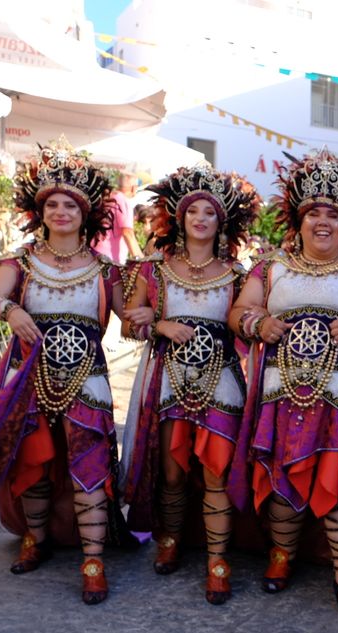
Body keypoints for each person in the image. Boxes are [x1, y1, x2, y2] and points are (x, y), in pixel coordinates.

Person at [0, 140, 122, 604]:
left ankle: (92, 560)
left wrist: (156, 314)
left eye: (69, 204)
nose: (60, 211)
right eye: (51, 204)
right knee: (33, 462)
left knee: (88, 465)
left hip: (87, 378)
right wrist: (10, 311)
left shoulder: (107, 269)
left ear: (85, 212)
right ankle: (35, 539)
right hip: (27, 376)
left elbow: (131, 318)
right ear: (39, 211)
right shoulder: (21, 261)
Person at [226, 150, 338, 620]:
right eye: (313, 213)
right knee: (281, 472)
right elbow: (238, 312)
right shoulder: (270, 268)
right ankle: (281, 557)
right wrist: (257, 323)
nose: (322, 222)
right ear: (299, 220)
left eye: (332, 214)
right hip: (281, 394)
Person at [118, 164, 261, 605]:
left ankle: (218, 561)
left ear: (222, 222)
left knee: (216, 471)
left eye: (209, 212)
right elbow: (128, 324)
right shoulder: (153, 271)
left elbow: (249, 321)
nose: (200, 218)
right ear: (177, 218)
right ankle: (170, 540)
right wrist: (157, 323)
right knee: (173, 472)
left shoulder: (239, 274)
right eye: (192, 210)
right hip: (168, 381)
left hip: (222, 381)